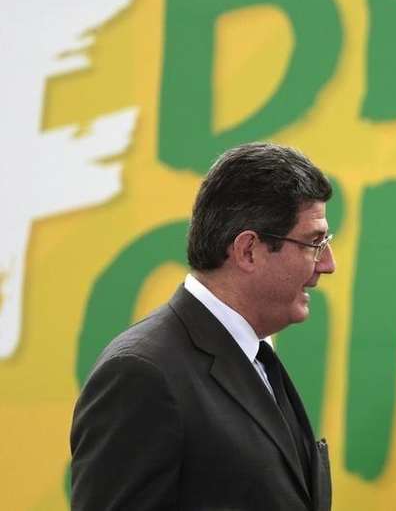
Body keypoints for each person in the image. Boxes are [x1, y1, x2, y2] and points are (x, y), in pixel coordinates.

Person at [70, 143, 336, 511]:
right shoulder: (140, 374)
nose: (327, 265)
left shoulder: (258, 358)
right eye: (314, 243)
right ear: (248, 251)